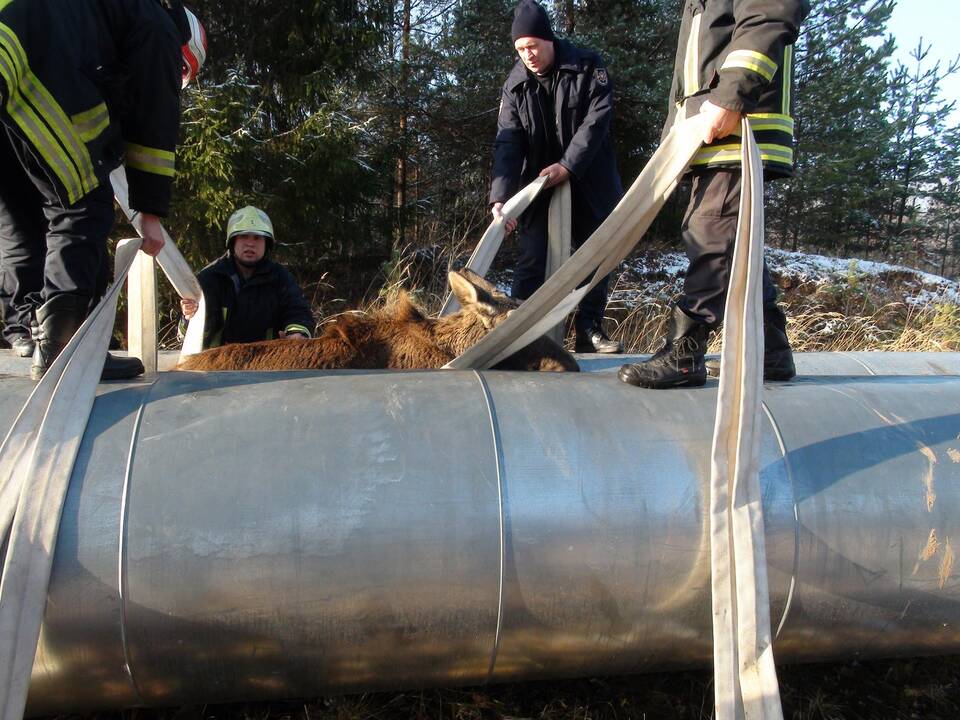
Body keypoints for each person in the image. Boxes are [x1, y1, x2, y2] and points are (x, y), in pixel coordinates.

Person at [0, 0, 207, 381]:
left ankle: (30, 328)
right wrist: (150, 211)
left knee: (20, 208)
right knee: (82, 203)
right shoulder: (160, 28)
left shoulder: (109, 14)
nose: (174, 81)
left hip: (12, 52)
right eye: (180, 74)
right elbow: (153, 119)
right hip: (36, 65)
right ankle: (67, 351)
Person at [619, 0, 809, 390]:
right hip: (712, 129)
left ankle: (686, 353)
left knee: (709, 232)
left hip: (736, 124)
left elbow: (770, 14)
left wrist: (730, 98)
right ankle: (770, 350)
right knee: (737, 245)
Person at [490, 0, 623, 354]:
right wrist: (501, 198)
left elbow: (596, 124)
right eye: (520, 49)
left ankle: (589, 330)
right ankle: (518, 336)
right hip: (539, 188)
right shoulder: (515, 86)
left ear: (549, 39)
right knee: (532, 259)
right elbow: (508, 142)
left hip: (588, 180)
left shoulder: (587, 66)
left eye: (532, 45)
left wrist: (567, 165)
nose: (527, 55)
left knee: (596, 256)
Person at [180, 206, 314, 349]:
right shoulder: (210, 278)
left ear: (266, 244)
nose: (250, 243)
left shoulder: (281, 278)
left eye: (257, 238)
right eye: (244, 236)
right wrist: (189, 317)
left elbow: (298, 310)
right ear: (233, 242)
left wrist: (297, 333)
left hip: (266, 363)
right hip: (216, 365)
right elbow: (187, 334)